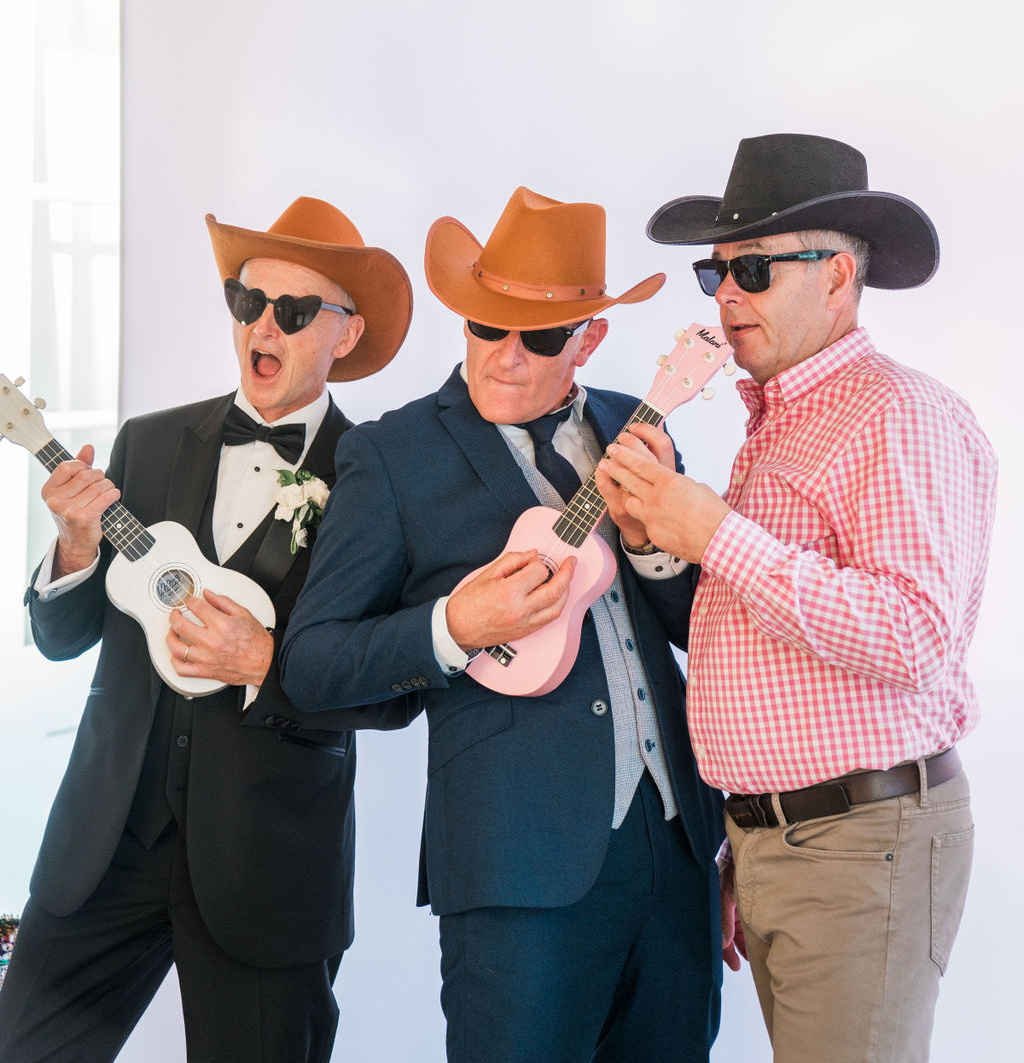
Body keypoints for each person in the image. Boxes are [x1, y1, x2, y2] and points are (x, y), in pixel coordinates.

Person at [281, 185, 725, 1063]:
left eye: (543, 336)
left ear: (589, 338)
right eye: (488, 327)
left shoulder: (633, 427)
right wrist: (452, 626)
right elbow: (312, 664)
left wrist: (653, 547)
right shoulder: (392, 454)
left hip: (675, 851)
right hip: (516, 874)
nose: (509, 357)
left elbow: (699, 627)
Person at [594, 134, 998, 1063]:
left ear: (839, 277)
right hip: (794, 842)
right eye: (718, 271)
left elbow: (916, 635)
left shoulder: (898, 413)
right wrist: (755, 834)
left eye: (756, 269)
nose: (728, 293)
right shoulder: (779, 425)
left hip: (864, 847)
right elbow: (766, 640)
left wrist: (712, 533)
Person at [0, 197, 419, 1063]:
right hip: (105, 843)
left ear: (347, 332)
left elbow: (399, 687)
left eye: (295, 311)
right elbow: (63, 637)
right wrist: (75, 547)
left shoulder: (376, 475)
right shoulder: (147, 445)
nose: (263, 325)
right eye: (247, 301)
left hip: (268, 869)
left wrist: (267, 663)